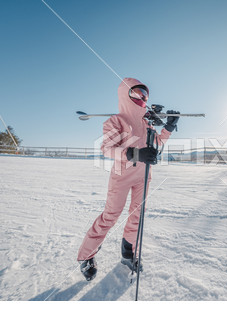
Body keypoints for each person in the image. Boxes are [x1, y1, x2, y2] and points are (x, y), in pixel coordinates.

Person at [77, 77, 179, 281]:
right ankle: (86, 256)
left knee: (137, 215)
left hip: (143, 174)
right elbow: (107, 148)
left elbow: (157, 143)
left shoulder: (147, 123)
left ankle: (128, 253)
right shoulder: (116, 121)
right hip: (122, 174)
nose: (142, 97)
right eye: (136, 93)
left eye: (145, 94)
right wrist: (135, 153)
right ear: (126, 95)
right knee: (111, 215)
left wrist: (167, 127)